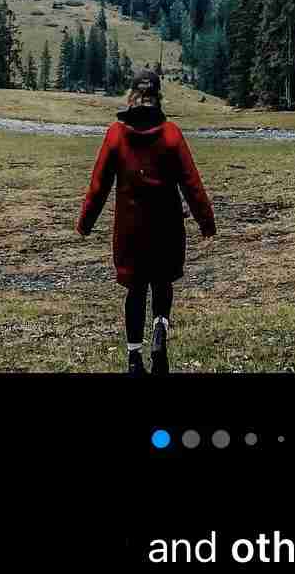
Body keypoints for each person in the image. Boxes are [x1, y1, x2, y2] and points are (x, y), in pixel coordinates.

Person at [77, 68, 215, 376]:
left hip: (130, 231)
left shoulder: (116, 134)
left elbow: (98, 185)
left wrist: (85, 222)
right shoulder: (171, 134)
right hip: (166, 229)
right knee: (162, 283)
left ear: (131, 96)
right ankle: (160, 332)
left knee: (136, 290)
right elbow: (192, 183)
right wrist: (206, 221)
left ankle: (134, 358)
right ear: (158, 98)